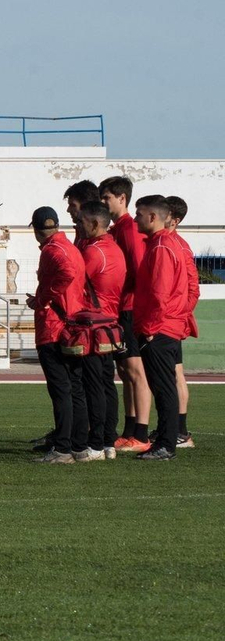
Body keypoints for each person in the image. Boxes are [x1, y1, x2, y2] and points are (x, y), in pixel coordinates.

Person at [27, 207, 90, 463]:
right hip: (72, 325)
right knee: (75, 388)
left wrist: (43, 298)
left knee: (61, 390)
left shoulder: (52, 250)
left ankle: (62, 447)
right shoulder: (69, 248)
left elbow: (66, 274)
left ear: (35, 230)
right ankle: (79, 446)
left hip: (54, 327)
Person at [132, 195, 191, 461]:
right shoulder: (167, 244)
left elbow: (159, 292)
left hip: (159, 328)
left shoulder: (162, 247)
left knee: (164, 387)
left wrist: (151, 329)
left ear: (153, 217)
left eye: (139, 214)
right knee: (164, 386)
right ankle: (166, 441)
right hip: (166, 325)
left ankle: (166, 444)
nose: (136, 219)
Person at [100, 175, 152, 451]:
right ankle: (130, 430)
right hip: (120, 308)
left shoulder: (130, 229)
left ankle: (142, 434)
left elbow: (139, 270)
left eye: (107, 197)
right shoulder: (117, 229)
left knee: (135, 371)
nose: (103, 202)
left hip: (130, 308)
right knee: (124, 371)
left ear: (122, 198)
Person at [77, 201, 125, 460]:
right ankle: (107, 441)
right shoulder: (114, 249)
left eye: (81, 222)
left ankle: (95, 443)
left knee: (94, 385)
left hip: (92, 325)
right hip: (109, 323)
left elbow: (74, 281)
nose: (78, 226)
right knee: (107, 384)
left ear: (95, 223)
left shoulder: (93, 252)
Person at [165, 195, 199, 449]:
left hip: (172, 321)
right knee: (172, 372)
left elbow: (193, 289)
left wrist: (178, 315)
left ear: (174, 220)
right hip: (171, 320)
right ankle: (173, 429)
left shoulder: (179, 247)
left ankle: (181, 431)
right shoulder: (167, 243)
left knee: (175, 373)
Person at [63, 180, 99, 248]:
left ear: (86, 206)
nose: (68, 210)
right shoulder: (81, 234)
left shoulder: (96, 243)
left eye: (73, 205)